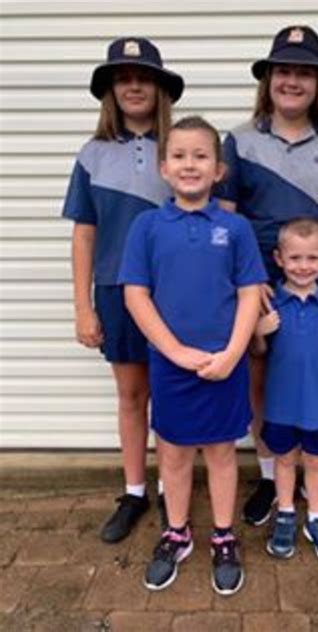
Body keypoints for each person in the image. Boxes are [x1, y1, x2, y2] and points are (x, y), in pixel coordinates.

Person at [215, 25, 318, 527]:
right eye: (284, 70)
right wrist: (246, 277)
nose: (292, 81)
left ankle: (312, 477)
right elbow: (226, 214)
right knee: (263, 379)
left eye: (304, 72)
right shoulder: (237, 141)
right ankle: (269, 476)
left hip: (313, 278)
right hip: (256, 283)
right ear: (269, 78)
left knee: (310, 376)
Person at [118, 116, 267, 595]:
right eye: (179, 156)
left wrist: (232, 352)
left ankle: (223, 536)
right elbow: (136, 295)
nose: (190, 165)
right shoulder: (147, 226)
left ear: (218, 169)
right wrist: (175, 350)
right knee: (175, 453)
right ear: (163, 168)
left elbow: (249, 294)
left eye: (201, 156)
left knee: (223, 452)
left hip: (224, 363)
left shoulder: (236, 228)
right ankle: (176, 532)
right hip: (170, 365)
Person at [62, 37, 184, 542]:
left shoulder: (181, 149)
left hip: (176, 296)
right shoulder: (92, 155)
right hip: (115, 292)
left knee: (175, 397)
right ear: (111, 90)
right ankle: (135, 491)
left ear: (159, 88)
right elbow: (84, 234)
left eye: (144, 77)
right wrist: (82, 307)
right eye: (122, 77)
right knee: (132, 395)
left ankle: (172, 490)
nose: (134, 85)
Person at [253, 218, 318, 562]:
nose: (303, 266)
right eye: (295, 258)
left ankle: (316, 517)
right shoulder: (271, 303)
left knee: (316, 462)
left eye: (312, 258)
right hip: (281, 405)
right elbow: (258, 353)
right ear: (279, 258)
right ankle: (285, 512)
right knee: (284, 460)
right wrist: (258, 331)